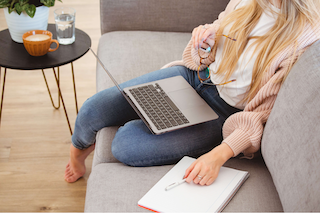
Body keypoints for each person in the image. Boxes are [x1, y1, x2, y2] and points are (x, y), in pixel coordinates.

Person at [64, 0, 320, 184]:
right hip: (193, 77)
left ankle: (157, 121)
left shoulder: (304, 37)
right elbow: (210, 46)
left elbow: (262, 114)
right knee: (91, 110)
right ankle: (79, 153)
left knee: (125, 144)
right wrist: (203, 43)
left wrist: (219, 155)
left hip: (221, 113)